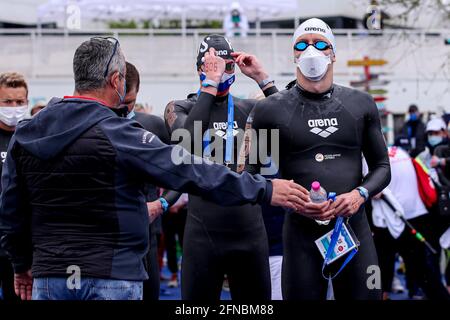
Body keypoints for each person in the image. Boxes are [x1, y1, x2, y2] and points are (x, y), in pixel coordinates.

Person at [0, 37, 306, 301]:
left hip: (51, 274)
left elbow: (10, 208)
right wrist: (263, 188)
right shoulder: (123, 132)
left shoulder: (28, 131)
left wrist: (19, 263)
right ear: (117, 81)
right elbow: (186, 166)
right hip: (113, 273)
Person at [247, 18, 391, 300]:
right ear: (294, 55)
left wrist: (359, 195)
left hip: (353, 229)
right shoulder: (269, 110)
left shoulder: (360, 103)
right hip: (301, 234)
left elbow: (382, 167)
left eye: (320, 43)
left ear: (333, 53)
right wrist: (282, 195)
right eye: (302, 44)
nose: (311, 49)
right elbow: (249, 175)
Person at [164, 34, 279, 300]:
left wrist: (264, 78)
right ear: (200, 69)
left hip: (249, 235)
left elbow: (291, 126)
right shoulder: (180, 107)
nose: (221, 72)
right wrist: (210, 86)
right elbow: (188, 142)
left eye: (226, 66)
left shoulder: (251, 109)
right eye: (212, 65)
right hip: (202, 236)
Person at [371, 139, 450, 300]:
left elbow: (374, 191)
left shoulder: (371, 158)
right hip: (415, 215)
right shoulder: (400, 152)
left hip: (391, 219)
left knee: (380, 270)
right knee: (423, 271)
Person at [122, 61, 170, 300]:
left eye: (128, 103)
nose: (120, 110)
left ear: (137, 93)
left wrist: (161, 204)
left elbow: (180, 172)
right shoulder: (94, 124)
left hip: (146, 230)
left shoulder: (154, 126)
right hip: (107, 237)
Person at [0, 72, 29, 301]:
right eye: (7, 102)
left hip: (20, 245)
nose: (14, 107)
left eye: (19, 102)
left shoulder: (33, 138)